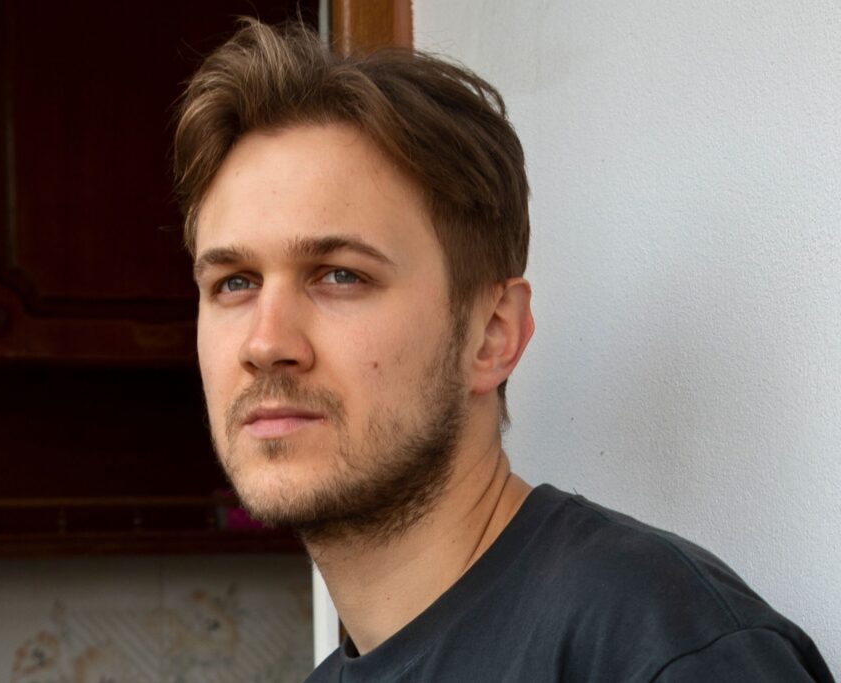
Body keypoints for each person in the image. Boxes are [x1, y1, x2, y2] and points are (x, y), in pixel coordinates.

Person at [173, 19, 835, 682]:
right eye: (234, 282)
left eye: (340, 274)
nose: (266, 343)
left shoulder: (661, 652)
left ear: (492, 333)